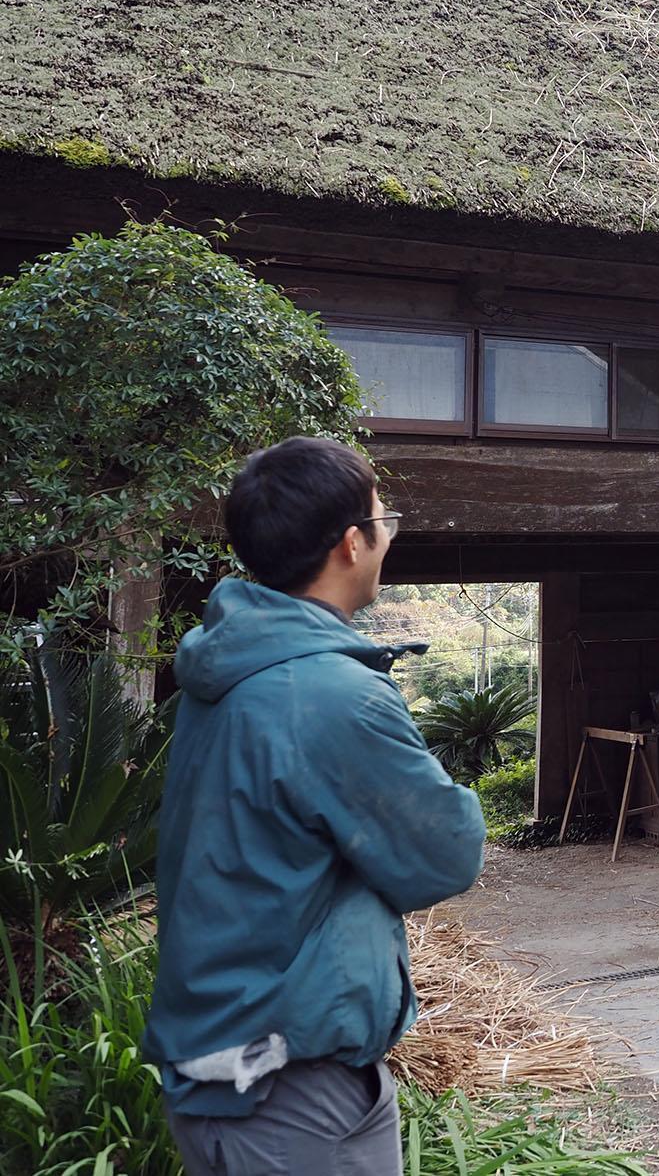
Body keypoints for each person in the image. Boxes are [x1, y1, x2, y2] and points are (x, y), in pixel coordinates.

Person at [145, 437, 486, 1176]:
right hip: (292, 1090)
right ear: (352, 543)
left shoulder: (225, 668)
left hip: (221, 1067)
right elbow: (447, 854)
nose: (387, 535)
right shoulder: (329, 694)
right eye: (381, 518)